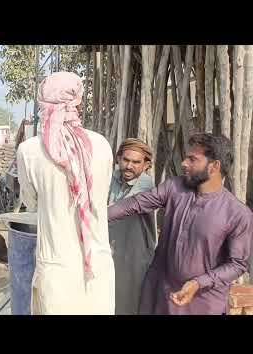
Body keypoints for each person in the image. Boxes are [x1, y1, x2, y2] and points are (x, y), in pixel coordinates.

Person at [108, 133, 253, 315]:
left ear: (214, 166)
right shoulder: (174, 188)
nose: (184, 163)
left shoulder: (238, 214)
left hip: (202, 303)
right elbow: (135, 204)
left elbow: (238, 264)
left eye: (193, 159)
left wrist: (199, 282)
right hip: (160, 295)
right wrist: (92, 218)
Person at [17, 72, 115, 315]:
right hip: (98, 266)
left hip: (57, 270)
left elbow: (30, 203)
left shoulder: (29, 151)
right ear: (77, 101)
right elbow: (102, 197)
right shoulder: (101, 144)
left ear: (43, 103)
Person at [108, 138, 157, 315]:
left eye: (136, 162)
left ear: (146, 165)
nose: (129, 166)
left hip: (135, 253)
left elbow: (121, 209)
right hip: (111, 248)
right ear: (118, 158)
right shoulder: (109, 175)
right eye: (126, 160)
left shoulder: (146, 184)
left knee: (131, 303)